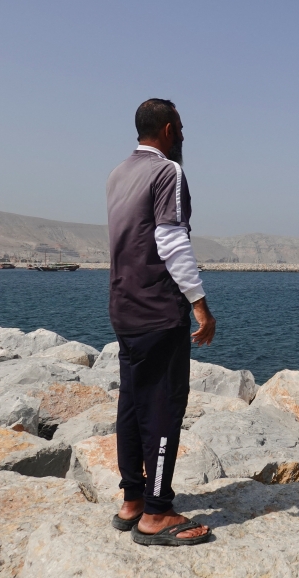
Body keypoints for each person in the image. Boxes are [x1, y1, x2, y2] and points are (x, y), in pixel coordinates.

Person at [106, 98, 217, 546]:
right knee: (164, 409)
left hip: (123, 307)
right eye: (183, 129)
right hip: (157, 310)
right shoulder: (168, 172)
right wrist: (200, 305)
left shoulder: (118, 174)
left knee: (132, 404)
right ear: (169, 130)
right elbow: (171, 241)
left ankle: (132, 500)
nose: (184, 137)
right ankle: (157, 513)